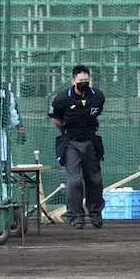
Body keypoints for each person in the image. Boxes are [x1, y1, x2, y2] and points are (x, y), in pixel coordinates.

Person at [49, 65, 106, 229]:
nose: (84, 83)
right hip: (71, 142)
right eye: (80, 81)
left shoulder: (97, 96)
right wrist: (66, 130)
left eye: (86, 81)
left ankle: (95, 213)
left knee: (94, 180)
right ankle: (75, 216)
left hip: (90, 141)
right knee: (74, 181)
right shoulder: (62, 98)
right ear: (73, 80)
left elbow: (97, 112)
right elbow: (55, 118)